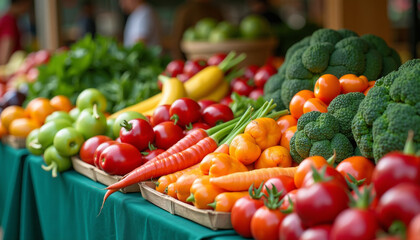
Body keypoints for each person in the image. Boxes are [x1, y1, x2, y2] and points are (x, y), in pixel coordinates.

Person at [0, 0, 30, 65]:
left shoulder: (6, 18)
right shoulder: (9, 21)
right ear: (22, 3)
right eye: (28, 5)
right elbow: (5, 55)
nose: (27, 9)